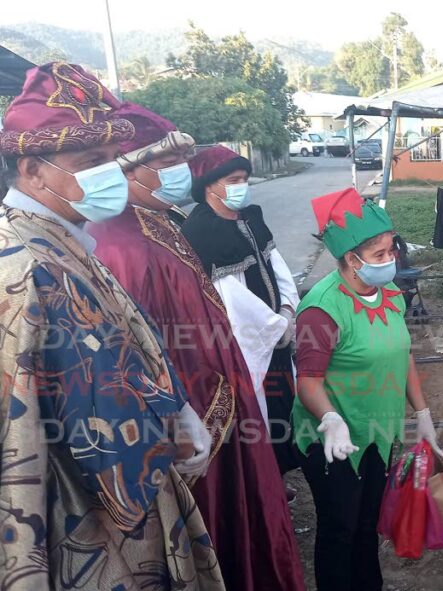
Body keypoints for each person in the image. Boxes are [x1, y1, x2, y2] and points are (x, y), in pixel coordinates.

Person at [0, 62, 223, 589]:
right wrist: (174, 427)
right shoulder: (34, 266)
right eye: (90, 161)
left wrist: (177, 405)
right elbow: (96, 402)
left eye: (110, 159)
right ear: (32, 170)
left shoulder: (61, 237)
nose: (109, 174)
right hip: (84, 511)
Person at [86, 103, 303, 591]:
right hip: (199, 423)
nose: (176, 175)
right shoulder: (121, 245)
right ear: (125, 169)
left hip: (226, 397)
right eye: (163, 166)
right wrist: (197, 416)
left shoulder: (163, 221)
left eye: (179, 164)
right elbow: (142, 352)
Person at [290, 189, 440, 590]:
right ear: (350, 260)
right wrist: (330, 418)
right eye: (378, 255)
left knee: (367, 524)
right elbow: (307, 381)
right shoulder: (321, 309)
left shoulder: (392, 297)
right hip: (334, 440)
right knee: (340, 528)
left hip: (377, 432)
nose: (390, 261)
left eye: (391, 251)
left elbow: (402, 352)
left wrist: (422, 413)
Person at [181, 145, 302, 475]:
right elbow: (230, 295)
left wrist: (289, 309)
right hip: (244, 342)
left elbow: (275, 263)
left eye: (244, 179)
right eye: (233, 180)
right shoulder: (201, 230)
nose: (241, 186)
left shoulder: (252, 216)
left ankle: (278, 477)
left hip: (277, 331)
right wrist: (276, 326)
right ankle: (264, 482)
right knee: (255, 409)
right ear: (210, 184)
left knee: (282, 405)